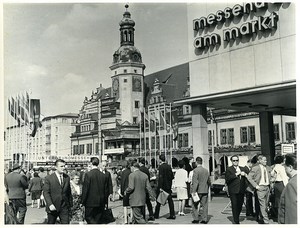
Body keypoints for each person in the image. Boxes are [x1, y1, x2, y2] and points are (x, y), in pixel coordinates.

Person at [43, 159, 73, 224]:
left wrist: (70, 205)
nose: (63, 168)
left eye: (64, 166)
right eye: (61, 166)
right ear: (56, 167)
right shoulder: (49, 178)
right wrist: (50, 204)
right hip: (53, 206)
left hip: (64, 206)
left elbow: (68, 191)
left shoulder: (66, 177)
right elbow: (46, 192)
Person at [81, 157, 107, 224]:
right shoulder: (103, 175)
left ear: (91, 163)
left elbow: (85, 189)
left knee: (89, 218)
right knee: (98, 219)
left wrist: (82, 201)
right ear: (98, 164)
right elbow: (105, 190)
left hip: (90, 202)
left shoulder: (88, 175)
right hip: (101, 202)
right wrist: (105, 202)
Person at [247, 155, 271, 224]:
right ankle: (266, 220)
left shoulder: (268, 168)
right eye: (264, 160)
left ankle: (261, 217)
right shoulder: (255, 168)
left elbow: (271, 175)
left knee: (266, 204)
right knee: (262, 204)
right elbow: (249, 177)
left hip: (267, 187)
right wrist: (256, 186)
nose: (265, 161)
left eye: (266, 160)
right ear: (259, 161)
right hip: (260, 188)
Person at [225, 155, 248, 224]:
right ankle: (236, 220)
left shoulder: (242, 168)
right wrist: (236, 174)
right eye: (234, 160)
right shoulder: (229, 169)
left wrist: (245, 175)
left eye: (237, 160)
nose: (235, 162)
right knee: (234, 204)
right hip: (233, 190)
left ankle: (237, 215)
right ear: (231, 161)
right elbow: (228, 179)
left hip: (241, 189)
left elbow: (249, 175)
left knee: (240, 204)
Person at [154, 154, 176, 220]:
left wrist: (160, 187)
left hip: (163, 186)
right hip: (168, 186)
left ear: (160, 159)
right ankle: (172, 214)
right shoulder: (169, 166)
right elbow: (172, 176)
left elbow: (161, 178)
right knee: (170, 201)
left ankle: (156, 214)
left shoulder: (161, 167)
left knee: (159, 201)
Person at [191, 156, 211, 224]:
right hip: (205, 190)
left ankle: (196, 219)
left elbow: (195, 182)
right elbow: (209, 181)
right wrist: (207, 187)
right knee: (205, 205)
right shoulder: (206, 170)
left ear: (196, 162)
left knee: (194, 205)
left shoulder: (195, 170)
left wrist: (193, 191)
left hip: (198, 191)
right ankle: (204, 219)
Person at [278, 154, 297, 224]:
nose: (283, 167)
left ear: (290, 167)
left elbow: (292, 213)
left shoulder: (292, 184)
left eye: (284, 165)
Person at [270, 155, 289, 219]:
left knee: (277, 200)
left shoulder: (274, 167)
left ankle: (278, 215)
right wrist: (287, 186)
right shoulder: (281, 167)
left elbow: (272, 175)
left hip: (276, 185)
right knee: (283, 199)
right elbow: (284, 177)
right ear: (282, 161)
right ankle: (283, 216)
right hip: (281, 184)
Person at [120, 159, 132, 224]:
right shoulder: (130, 171)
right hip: (131, 190)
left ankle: (125, 221)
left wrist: (122, 191)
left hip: (125, 190)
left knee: (125, 206)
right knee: (131, 206)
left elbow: (122, 182)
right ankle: (132, 219)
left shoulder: (123, 172)